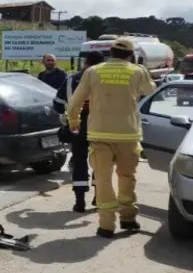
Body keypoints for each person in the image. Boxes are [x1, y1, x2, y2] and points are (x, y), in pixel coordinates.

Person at [66, 38, 155, 238]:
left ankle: (106, 225)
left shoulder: (93, 72)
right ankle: (128, 218)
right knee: (127, 177)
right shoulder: (138, 71)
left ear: (110, 52)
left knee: (103, 179)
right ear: (131, 55)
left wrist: (73, 121)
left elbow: (75, 102)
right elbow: (151, 90)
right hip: (128, 135)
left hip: (99, 134)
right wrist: (140, 68)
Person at [53, 51, 105, 213]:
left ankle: (80, 201)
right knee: (101, 162)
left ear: (85, 62)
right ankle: (99, 197)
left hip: (77, 125)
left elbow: (58, 105)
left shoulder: (71, 79)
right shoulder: (106, 80)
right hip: (101, 125)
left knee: (79, 162)